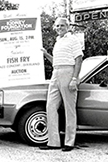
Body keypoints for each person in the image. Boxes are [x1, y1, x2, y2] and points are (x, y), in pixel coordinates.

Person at [40, 17, 83, 152]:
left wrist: (74, 79)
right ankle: (53, 142)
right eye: (57, 26)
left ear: (68, 27)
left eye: (62, 26)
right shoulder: (58, 41)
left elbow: (79, 59)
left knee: (69, 109)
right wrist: (46, 54)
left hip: (68, 72)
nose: (59, 28)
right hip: (56, 72)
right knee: (51, 106)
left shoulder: (73, 39)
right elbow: (56, 61)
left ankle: (69, 142)